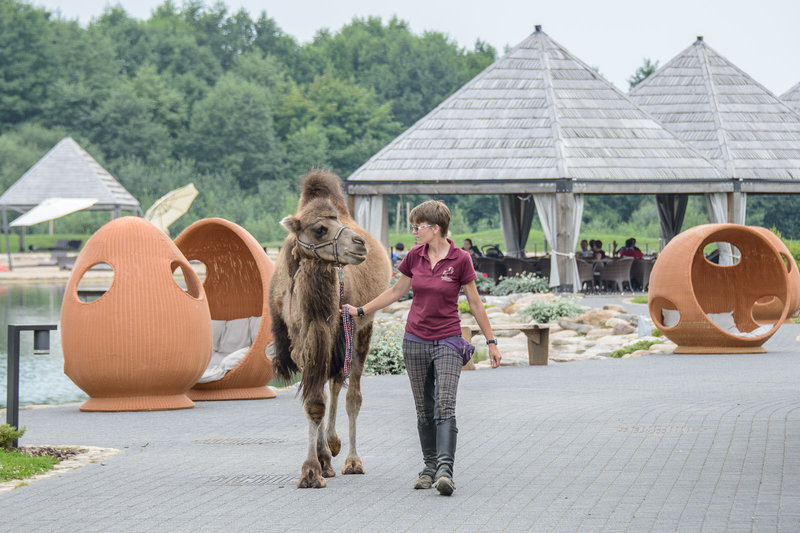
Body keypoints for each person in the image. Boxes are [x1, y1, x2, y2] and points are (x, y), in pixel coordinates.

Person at [343, 200, 502, 496]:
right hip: (415, 340)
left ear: (435, 228)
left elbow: (475, 303)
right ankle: (429, 466)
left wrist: (491, 341)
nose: (414, 231)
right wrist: (361, 310)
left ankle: (445, 470)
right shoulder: (414, 256)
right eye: (413, 226)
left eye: (418, 226)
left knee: (445, 405)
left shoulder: (461, 259)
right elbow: (396, 291)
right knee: (423, 409)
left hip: (448, 340)